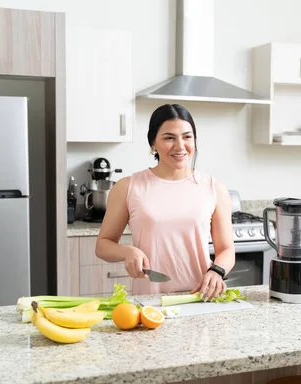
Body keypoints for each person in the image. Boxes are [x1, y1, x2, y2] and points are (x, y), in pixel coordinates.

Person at [95, 104, 235, 301]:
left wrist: (217, 272)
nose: (180, 146)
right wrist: (127, 251)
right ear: (153, 144)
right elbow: (103, 245)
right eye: (169, 138)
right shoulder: (128, 187)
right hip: (150, 301)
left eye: (187, 137)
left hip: (200, 298)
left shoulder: (214, 188)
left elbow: (226, 249)